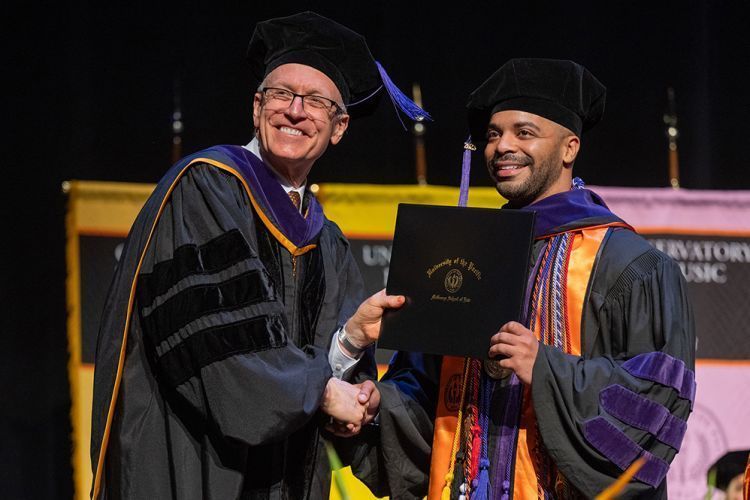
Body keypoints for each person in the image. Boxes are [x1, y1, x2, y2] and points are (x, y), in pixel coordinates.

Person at [89, 11, 419, 500]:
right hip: (196, 467)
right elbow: (223, 356)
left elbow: (309, 374)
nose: (294, 111)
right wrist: (326, 393)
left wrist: (350, 348)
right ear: (256, 106)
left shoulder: (326, 240)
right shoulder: (205, 189)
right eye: (281, 94)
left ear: (339, 126)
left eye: (315, 101)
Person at [347, 58, 696, 499]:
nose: (501, 147)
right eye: (493, 134)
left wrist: (546, 368)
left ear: (570, 148)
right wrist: (378, 406)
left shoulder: (629, 263)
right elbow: (424, 393)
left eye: (523, 132)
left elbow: (657, 406)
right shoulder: (464, 256)